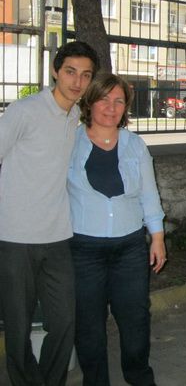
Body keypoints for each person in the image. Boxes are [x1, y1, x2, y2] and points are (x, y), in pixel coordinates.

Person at [0, 41, 99, 386]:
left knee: (63, 322)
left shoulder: (75, 116)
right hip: (15, 238)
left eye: (85, 75)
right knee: (17, 327)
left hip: (58, 237)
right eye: (70, 72)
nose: (77, 82)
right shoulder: (23, 111)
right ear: (55, 71)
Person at [67, 73, 165, 385]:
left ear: (126, 107)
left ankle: (139, 378)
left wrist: (158, 238)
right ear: (90, 101)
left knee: (135, 321)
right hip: (83, 249)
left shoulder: (135, 145)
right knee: (89, 327)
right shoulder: (69, 140)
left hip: (130, 249)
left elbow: (150, 194)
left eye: (119, 101)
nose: (111, 107)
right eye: (104, 99)